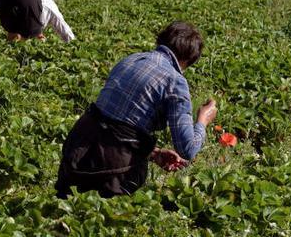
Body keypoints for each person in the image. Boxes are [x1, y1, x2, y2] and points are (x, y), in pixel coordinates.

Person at [55, 21, 218, 198]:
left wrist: (152, 153)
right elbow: (188, 149)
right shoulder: (175, 81)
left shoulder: (131, 59)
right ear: (187, 60)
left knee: (66, 211)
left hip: (77, 149)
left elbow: (112, 123)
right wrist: (203, 120)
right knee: (105, 217)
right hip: (112, 168)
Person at [0, 0, 75, 42]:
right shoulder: (49, 4)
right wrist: (73, 44)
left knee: (12, 35)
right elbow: (64, 28)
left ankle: (10, 55)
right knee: (37, 38)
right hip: (29, 1)